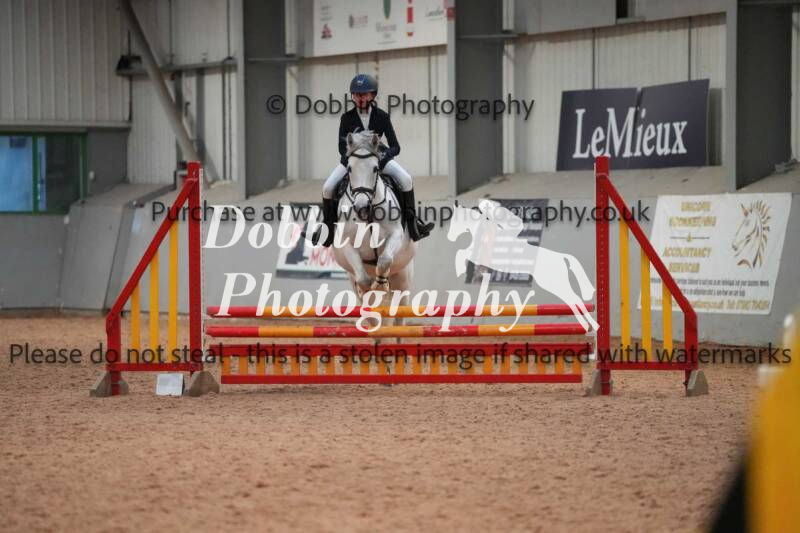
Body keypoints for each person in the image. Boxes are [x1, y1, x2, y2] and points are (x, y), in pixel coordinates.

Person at [312, 73, 434, 246]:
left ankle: (413, 224)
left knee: (406, 179)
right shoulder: (346, 118)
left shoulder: (382, 116)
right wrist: (353, 159)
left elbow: (395, 146)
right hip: (354, 162)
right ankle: (327, 229)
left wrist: (384, 156)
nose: (359, 98)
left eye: (363, 94)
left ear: (372, 95)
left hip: (378, 160)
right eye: (356, 95)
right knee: (327, 188)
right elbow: (341, 147)